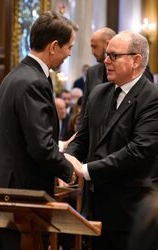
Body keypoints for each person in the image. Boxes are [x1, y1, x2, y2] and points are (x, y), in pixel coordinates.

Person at [0, 11, 78, 250]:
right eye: (69, 47)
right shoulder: (34, 81)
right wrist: (71, 172)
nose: (70, 53)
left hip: (9, 189)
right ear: (53, 46)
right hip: (23, 193)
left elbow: (21, 135)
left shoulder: (15, 75)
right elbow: (39, 146)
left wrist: (59, 146)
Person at [66, 31, 158, 250]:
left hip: (132, 210)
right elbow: (82, 138)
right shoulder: (98, 93)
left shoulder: (152, 98)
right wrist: (67, 162)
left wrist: (86, 170)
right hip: (96, 207)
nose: (106, 61)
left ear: (136, 60)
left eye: (114, 56)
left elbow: (137, 151)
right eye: (107, 55)